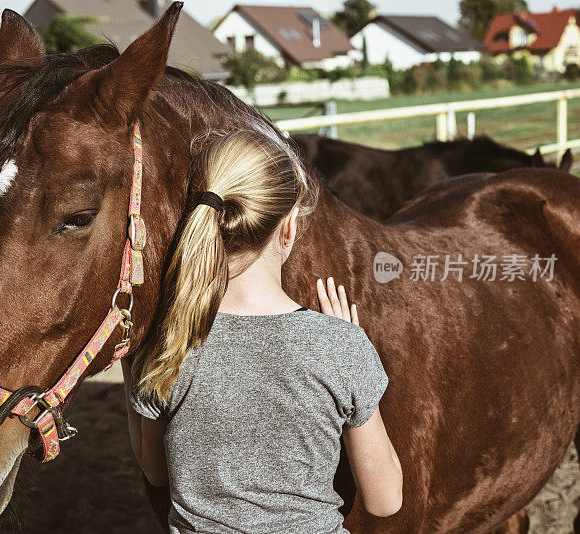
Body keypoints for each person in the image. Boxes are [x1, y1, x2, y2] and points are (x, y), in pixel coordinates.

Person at [121, 130, 402, 533]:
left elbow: (155, 472)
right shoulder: (339, 346)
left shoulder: (169, 345)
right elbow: (384, 499)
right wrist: (351, 353)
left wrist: (134, 366)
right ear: (288, 228)